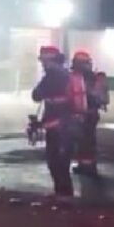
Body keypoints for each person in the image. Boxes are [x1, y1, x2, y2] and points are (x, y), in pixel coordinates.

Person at [31, 45, 79, 198]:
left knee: (55, 162)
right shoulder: (66, 74)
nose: (43, 64)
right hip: (68, 124)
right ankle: (64, 193)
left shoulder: (53, 75)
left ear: (49, 60)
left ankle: (63, 194)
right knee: (63, 162)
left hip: (57, 125)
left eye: (44, 61)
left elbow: (36, 95)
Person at [71, 51, 107, 176]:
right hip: (91, 113)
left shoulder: (80, 78)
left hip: (84, 113)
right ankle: (86, 165)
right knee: (87, 140)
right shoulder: (93, 77)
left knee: (85, 141)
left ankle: (87, 166)